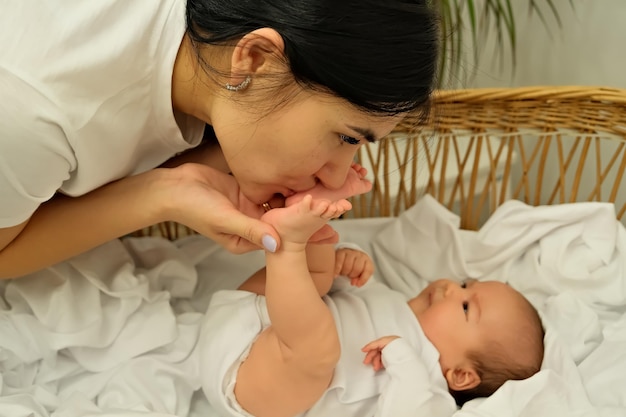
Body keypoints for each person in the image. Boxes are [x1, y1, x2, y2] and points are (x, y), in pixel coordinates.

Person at [0, 0, 440, 279]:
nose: (338, 174)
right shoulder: (32, 110)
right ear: (254, 58)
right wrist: (162, 195)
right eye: (345, 137)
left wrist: (196, 176)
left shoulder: (207, 61)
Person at [200, 195, 546, 417]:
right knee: (320, 275)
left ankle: (287, 245)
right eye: (465, 284)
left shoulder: (428, 389)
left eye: (467, 307)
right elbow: (339, 293)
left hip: (256, 388)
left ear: (461, 375)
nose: (450, 289)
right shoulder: (392, 299)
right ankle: (308, 205)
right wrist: (346, 263)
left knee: (316, 353)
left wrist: (404, 360)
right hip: (249, 312)